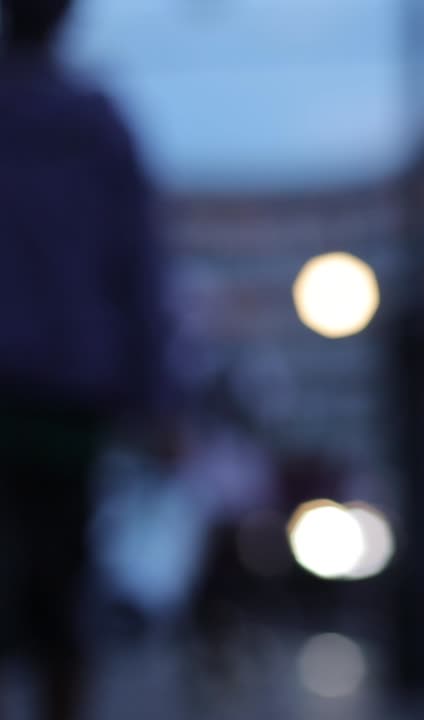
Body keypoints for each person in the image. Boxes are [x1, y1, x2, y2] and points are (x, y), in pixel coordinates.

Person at [0, 1, 173, 718]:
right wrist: (158, 400)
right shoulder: (97, 123)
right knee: (60, 596)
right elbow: (138, 272)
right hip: (68, 398)